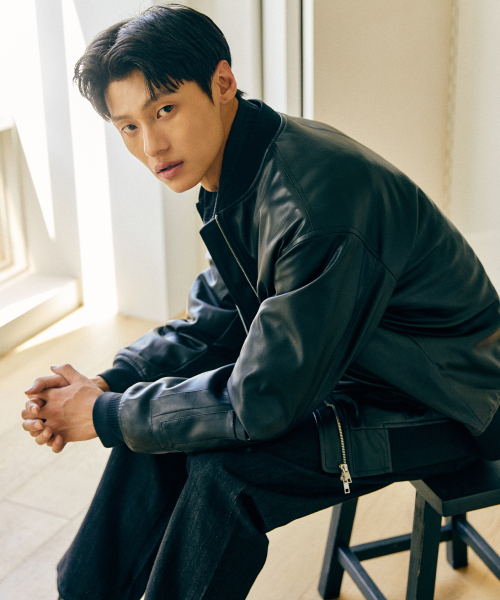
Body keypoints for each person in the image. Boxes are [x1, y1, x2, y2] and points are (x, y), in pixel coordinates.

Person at [21, 4, 500, 599]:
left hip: (448, 399)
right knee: (155, 416)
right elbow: (215, 320)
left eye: (164, 110)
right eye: (128, 127)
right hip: (351, 366)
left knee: (224, 474)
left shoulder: (312, 206)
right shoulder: (245, 165)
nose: (152, 145)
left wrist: (103, 415)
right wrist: (108, 385)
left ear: (222, 82)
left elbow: (262, 404)